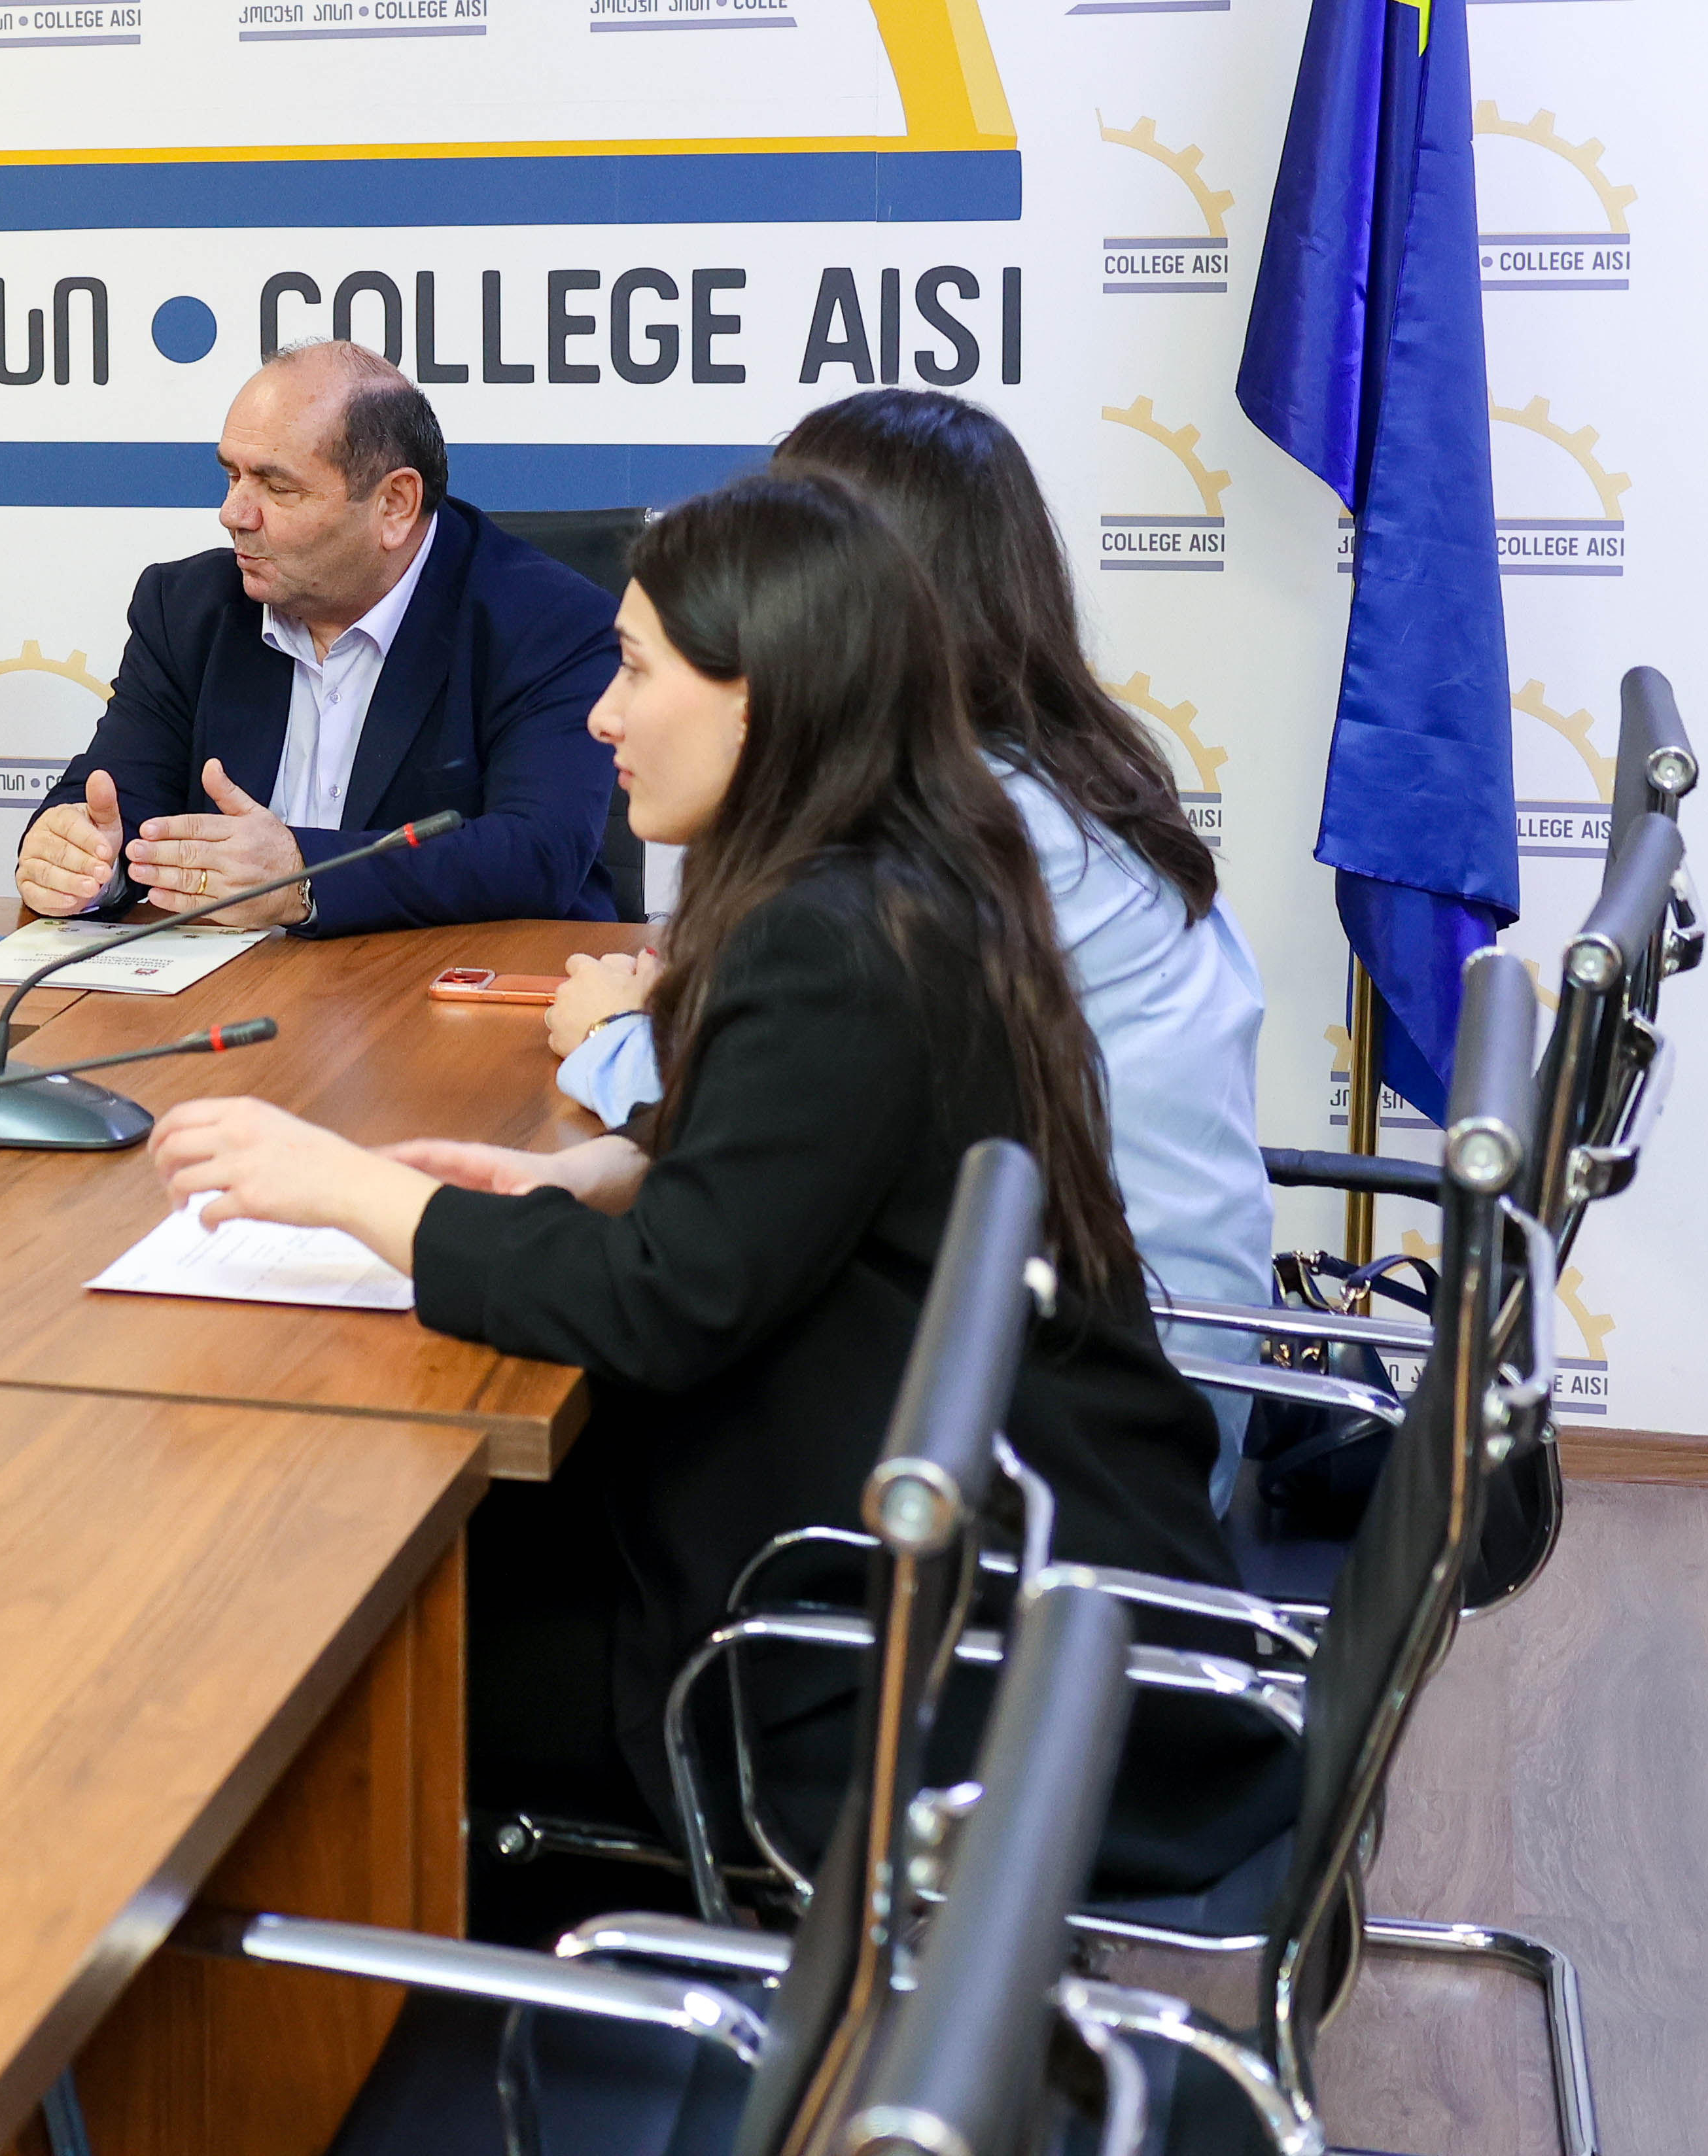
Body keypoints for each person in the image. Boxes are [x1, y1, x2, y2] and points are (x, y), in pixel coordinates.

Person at [145, 474, 1288, 1905]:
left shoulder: (834, 932)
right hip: (989, 1569)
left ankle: (439, 2012)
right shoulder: (911, 872)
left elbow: (664, 1304)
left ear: (764, 700)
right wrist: (608, 1164)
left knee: (315, 1652)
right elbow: (824, 1173)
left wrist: (349, 1191)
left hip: (886, 1662)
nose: (600, 717)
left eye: (635, 671)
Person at [544, 389, 1272, 1460]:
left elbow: (755, 1126)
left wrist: (616, 1039)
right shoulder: (1049, 773)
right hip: (1111, 1359)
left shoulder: (966, 835)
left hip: (1069, 1428)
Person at [18, 339, 614, 933]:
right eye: (232, 476)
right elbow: (115, 798)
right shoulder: (187, 609)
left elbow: (537, 851)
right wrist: (81, 860)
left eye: (277, 488)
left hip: (455, 976)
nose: (234, 513)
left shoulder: (546, 621)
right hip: (241, 981)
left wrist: (301, 878)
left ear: (395, 505)